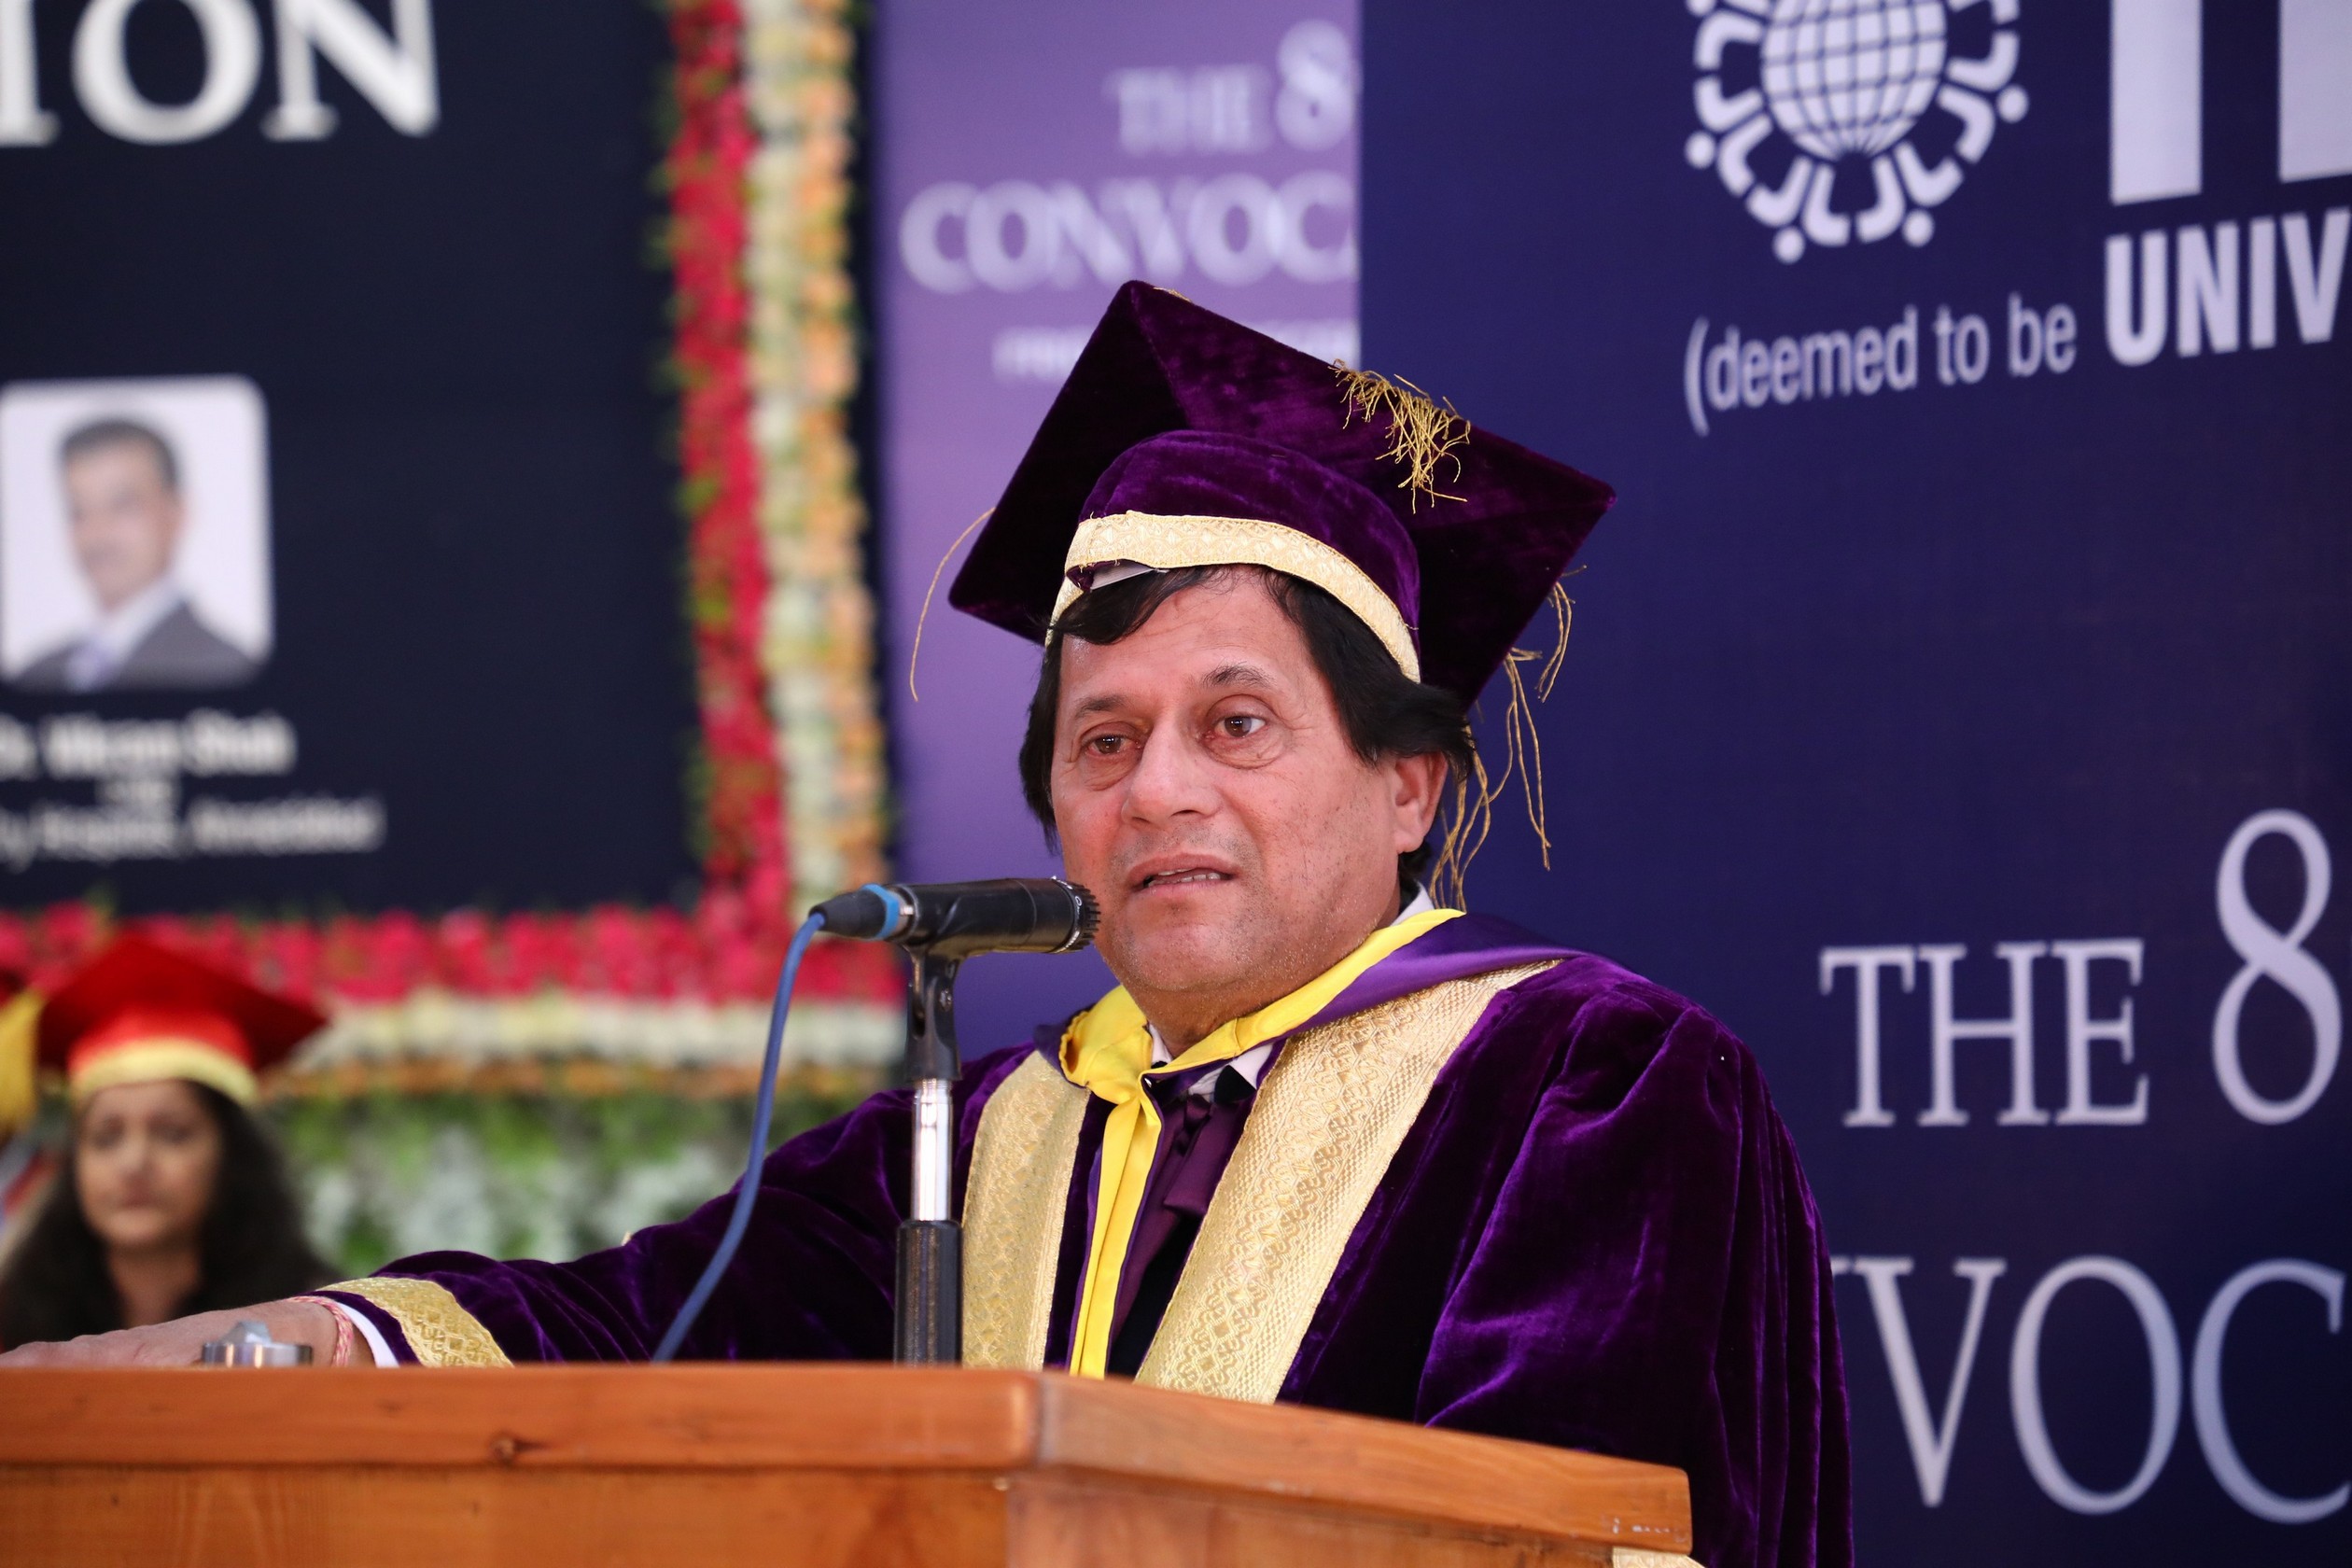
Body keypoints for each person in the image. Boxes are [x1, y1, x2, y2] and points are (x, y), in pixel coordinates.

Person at [0, 287, 1851, 1568]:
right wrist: (302, 1347)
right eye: (1104, 742)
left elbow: (1577, 1524)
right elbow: (636, 1325)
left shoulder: (1590, 1085)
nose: (1159, 791)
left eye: (1237, 725)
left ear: (1408, 789)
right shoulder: (986, 1136)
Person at [0, 937, 330, 1346]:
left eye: (173, 1134)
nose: (134, 1162)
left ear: (231, 1153)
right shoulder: (14, 1326)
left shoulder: (310, 1327)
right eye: (106, 1138)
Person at [13, 417, 258, 692]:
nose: (97, 533)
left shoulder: (228, 673)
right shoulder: (36, 676)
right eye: (78, 511)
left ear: (176, 513)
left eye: (122, 505)